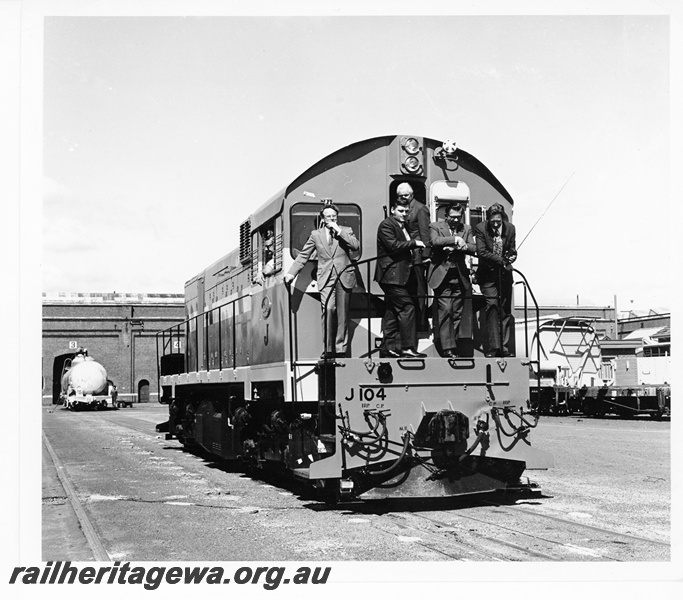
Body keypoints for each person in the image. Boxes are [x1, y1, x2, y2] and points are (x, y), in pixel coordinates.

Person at [284, 204, 360, 358]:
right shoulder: (316, 235)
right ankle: (328, 348)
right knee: (329, 309)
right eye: (328, 217)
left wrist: (339, 231)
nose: (332, 218)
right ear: (323, 218)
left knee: (342, 314)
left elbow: (355, 245)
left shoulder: (346, 231)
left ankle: (340, 350)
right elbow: (303, 255)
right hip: (326, 277)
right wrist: (291, 273)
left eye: (334, 216)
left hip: (344, 276)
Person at [374, 196, 427, 358]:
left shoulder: (404, 225)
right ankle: (407, 348)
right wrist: (415, 243)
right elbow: (393, 246)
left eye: (406, 211)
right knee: (407, 308)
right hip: (391, 276)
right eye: (401, 211)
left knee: (392, 310)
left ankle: (387, 347)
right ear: (392, 210)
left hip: (400, 276)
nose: (404, 214)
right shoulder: (386, 225)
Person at [428, 204, 475, 357]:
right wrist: (455, 240)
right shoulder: (435, 226)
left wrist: (461, 247)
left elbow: (473, 248)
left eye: (458, 217)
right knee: (446, 310)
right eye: (452, 216)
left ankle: (451, 344)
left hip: (459, 277)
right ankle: (447, 348)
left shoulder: (466, 228)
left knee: (456, 313)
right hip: (442, 277)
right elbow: (434, 241)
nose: (455, 220)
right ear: (446, 215)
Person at [473, 203, 517, 357]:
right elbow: (482, 252)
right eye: (493, 221)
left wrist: (512, 256)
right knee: (492, 306)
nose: (496, 224)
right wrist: (501, 261)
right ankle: (494, 347)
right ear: (488, 220)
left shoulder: (510, 229)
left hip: (504, 277)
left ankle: (504, 347)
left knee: (505, 311)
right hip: (487, 277)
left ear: (502, 218)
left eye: (498, 221)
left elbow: (512, 248)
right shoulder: (480, 228)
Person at [400, 182, 431, 330]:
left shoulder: (420, 208)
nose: (403, 198)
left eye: (405, 195)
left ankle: (421, 322)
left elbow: (425, 233)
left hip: (418, 257)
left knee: (419, 290)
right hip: (405, 256)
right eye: (400, 196)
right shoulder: (402, 209)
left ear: (411, 194)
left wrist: (426, 256)